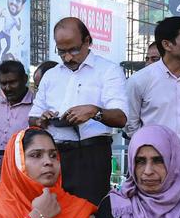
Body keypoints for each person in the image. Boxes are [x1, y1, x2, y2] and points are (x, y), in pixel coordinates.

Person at [30, 17, 128, 205]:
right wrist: (41, 120)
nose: (68, 57)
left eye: (73, 50)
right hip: (55, 155)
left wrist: (94, 112)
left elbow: (121, 117)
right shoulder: (51, 75)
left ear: (87, 41)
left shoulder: (108, 70)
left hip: (92, 154)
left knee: (88, 216)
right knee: (52, 213)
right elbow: (32, 117)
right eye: (61, 52)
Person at [125, 17, 180, 151]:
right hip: (156, 157)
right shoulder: (139, 80)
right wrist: (147, 151)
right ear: (167, 45)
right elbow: (131, 125)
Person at [0, 60, 34, 193]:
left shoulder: (37, 107)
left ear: (25, 79)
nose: (8, 88)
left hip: (25, 178)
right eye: (4, 83)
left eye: (12, 82)